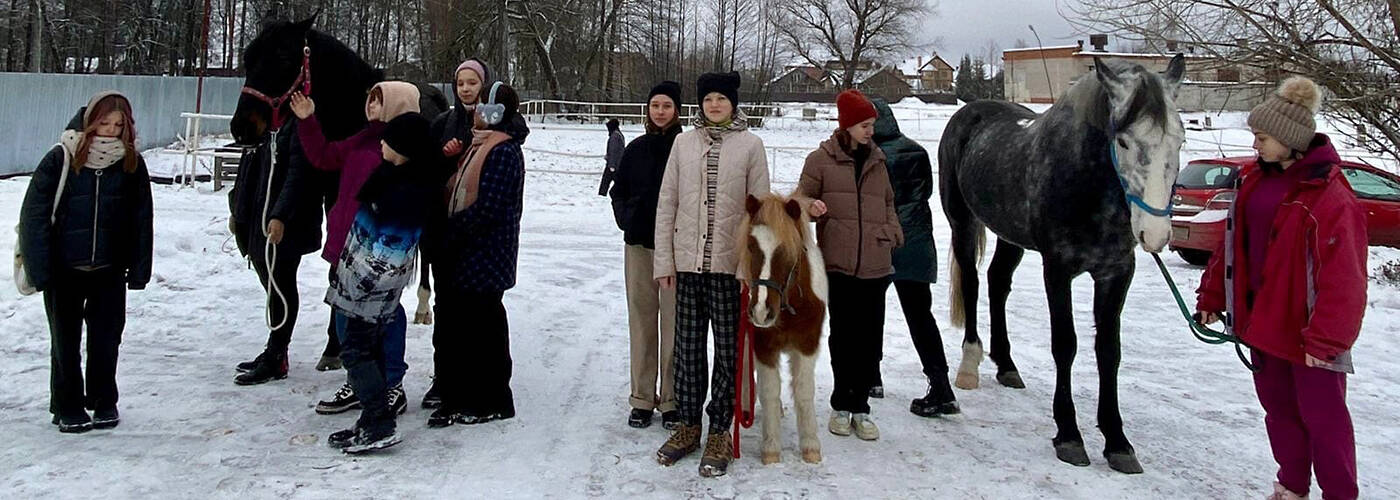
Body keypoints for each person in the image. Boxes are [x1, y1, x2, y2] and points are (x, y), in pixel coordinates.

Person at [1196, 76, 1366, 500]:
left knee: (1325, 422)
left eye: (1262, 137)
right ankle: (1292, 487)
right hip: (1262, 326)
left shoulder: (1329, 196)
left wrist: (1328, 339)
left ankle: (1340, 494)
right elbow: (1232, 245)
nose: (1255, 144)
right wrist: (1212, 296)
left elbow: (1344, 277)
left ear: (1290, 141)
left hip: (1309, 336)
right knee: (1280, 415)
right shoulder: (1254, 180)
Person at [653, 71, 770, 478]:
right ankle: (688, 425)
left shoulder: (751, 145)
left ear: (733, 103)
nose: (714, 105)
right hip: (687, 265)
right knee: (687, 349)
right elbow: (667, 203)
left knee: (727, 351)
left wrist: (748, 266)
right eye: (708, 99)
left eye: (721, 98)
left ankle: (720, 429)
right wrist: (665, 261)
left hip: (728, 269)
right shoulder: (684, 144)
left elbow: (759, 213)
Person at [19, 91, 153, 433]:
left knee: (107, 340)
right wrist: (40, 269)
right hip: (63, 270)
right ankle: (67, 405)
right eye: (104, 123)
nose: (110, 131)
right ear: (90, 121)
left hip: (109, 269)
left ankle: (104, 400)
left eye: (118, 125)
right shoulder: (61, 157)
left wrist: (139, 268)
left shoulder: (131, 162)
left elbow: (141, 219)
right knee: (65, 343)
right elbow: (34, 216)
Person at [291, 81, 421, 417]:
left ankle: (392, 384)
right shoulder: (363, 139)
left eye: (378, 101)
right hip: (346, 245)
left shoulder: (404, 149)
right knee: (344, 316)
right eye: (370, 100)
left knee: (386, 317)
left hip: (377, 252)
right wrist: (307, 120)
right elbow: (324, 156)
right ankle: (361, 382)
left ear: (396, 105)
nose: (370, 107)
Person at [324, 112, 441, 454]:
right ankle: (371, 419)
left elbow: (389, 252)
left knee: (356, 353)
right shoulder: (389, 177)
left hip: (370, 289)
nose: (381, 145)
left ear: (404, 149)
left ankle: (378, 421)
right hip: (358, 282)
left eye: (387, 141)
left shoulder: (406, 193)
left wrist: (362, 284)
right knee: (367, 352)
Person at [797, 89, 902, 442]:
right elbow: (799, 198)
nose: (871, 131)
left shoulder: (878, 160)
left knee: (870, 338)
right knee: (843, 336)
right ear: (847, 125)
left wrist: (892, 233)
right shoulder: (820, 160)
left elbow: (888, 204)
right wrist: (811, 207)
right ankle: (841, 404)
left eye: (872, 124)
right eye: (864, 125)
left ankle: (862, 408)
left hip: (876, 263)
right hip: (838, 264)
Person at [426, 82, 529, 428]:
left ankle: (493, 399)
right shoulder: (479, 144)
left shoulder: (503, 151)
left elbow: (489, 207)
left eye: (485, 105)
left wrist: (451, 231)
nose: (477, 111)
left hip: (487, 253)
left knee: (485, 328)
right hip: (468, 252)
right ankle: (462, 394)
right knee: (467, 327)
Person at [228, 91, 330, 386]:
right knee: (270, 281)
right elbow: (248, 168)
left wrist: (280, 215)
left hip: (285, 219)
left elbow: (298, 175)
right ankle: (274, 348)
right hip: (258, 214)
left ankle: (277, 354)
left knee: (281, 283)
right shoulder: (264, 125)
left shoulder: (295, 125)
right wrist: (238, 209)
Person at [868, 98, 959, 417]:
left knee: (871, 310)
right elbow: (926, 193)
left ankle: (872, 376)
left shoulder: (869, 156)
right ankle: (941, 384)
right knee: (921, 317)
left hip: (880, 243)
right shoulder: (917, 151)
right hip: (917, 243)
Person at [609, 81, 683, 430]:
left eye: (666, 106)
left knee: (674, 325)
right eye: (655, 105)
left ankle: (671, 399)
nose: (660, 112)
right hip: (639, 246)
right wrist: (627, 216)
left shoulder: (685, 148)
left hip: (676, 250)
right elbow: (618, 191)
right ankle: (641, 397)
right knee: (641, 322)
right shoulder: (635, 148)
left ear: (677, 110)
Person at [599, 118, 624, 196]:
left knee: (605, 182)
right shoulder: (618, 135)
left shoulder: (614, 137)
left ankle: (602, 195)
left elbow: (613, 151)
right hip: (617, 164)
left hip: (613, 164)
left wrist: (612, 165)